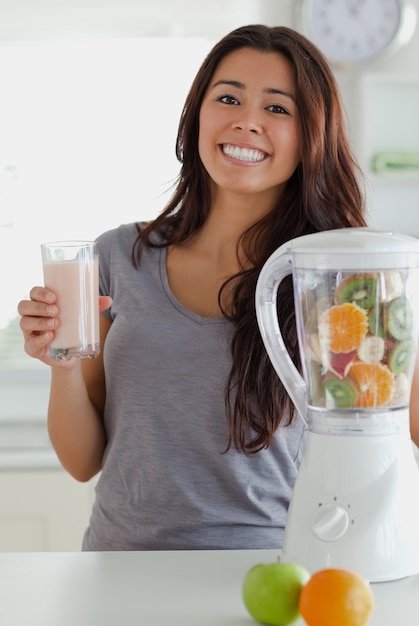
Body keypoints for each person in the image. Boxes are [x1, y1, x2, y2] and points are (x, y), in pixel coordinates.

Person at [18, 24, 371, 551]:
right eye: (228, 97)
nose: (246, 122)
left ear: (311, 135)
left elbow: (381, 442)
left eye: (277, 109)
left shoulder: (334, 278)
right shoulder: (117, 257)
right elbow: (82, 462)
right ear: (197, 114)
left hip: (267, 577)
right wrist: (62, 365)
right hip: (118, 572)